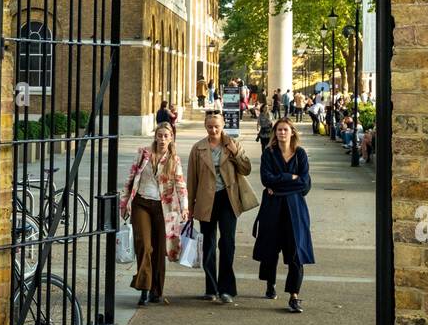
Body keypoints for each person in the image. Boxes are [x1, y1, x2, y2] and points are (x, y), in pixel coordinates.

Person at [187, 110, 255, 304]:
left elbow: (246, 169)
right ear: (205, 127)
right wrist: (190, 206)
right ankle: (211, 288)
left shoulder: (232, 145)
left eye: (216, 126)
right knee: (208, 244)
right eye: (209, 126)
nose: (213, 130)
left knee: (227, 243)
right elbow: (192, 179)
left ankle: (227, 289)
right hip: (205, 200)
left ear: (223, 125)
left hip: (228, 198)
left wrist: (235, 152)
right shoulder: (198, 148)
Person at [120, 122, 188, 306]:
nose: (162, 139)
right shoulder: (144, 154)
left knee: (159, 249)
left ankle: (156, 290)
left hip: (163, 208)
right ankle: (144, 288)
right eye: (160, 135)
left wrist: (185, 208)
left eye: (166, 135)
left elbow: (181, 185)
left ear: (171, 138)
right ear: (155, 136)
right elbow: (131, 177)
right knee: (144, 245)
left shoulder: (174, 159)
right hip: (141, 203)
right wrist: (124, 202)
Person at [253, 117, 314, 313]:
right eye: (279, 130)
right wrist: (291, 178)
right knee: (271, 250)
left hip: (296, 209)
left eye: (285, 130)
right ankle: (270, 283)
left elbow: (305, 183)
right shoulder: (269, 154)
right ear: (275, 133)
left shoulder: (301, 154)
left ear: (292, 132)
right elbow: (266, 179)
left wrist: (279, 185)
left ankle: (294, 296)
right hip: (273, 208)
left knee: (296, 251)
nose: (282, 133)